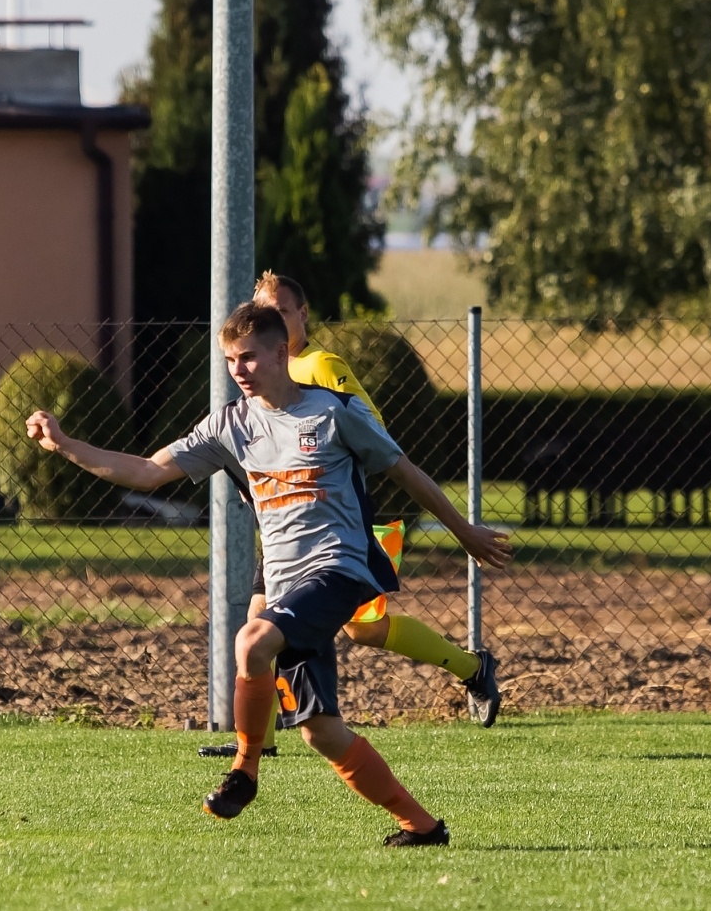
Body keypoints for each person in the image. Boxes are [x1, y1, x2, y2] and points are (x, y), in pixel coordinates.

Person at [26, 302, 512, 846]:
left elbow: (405, 470)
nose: (238, 369)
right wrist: (66, 446)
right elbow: (146, 471)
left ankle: (244, 769)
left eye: (249, 357)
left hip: (338, 569)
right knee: (321, 733)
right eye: (231, 359)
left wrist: (462, 529)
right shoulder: (231, 424)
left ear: (281, 353)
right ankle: (420, 825)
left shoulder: (334, 412)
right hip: (286, 586)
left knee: (252, 638)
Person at [199, 272, 501, 764]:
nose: (269, 319)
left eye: (280, 311)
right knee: (258, 623)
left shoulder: (321, 367)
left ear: (302, 317)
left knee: (363, 629)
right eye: (261, 310)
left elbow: (371, 432)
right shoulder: (255, 377)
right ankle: (256, 747)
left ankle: (471, 667)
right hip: (287, 528)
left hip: (346, 523)